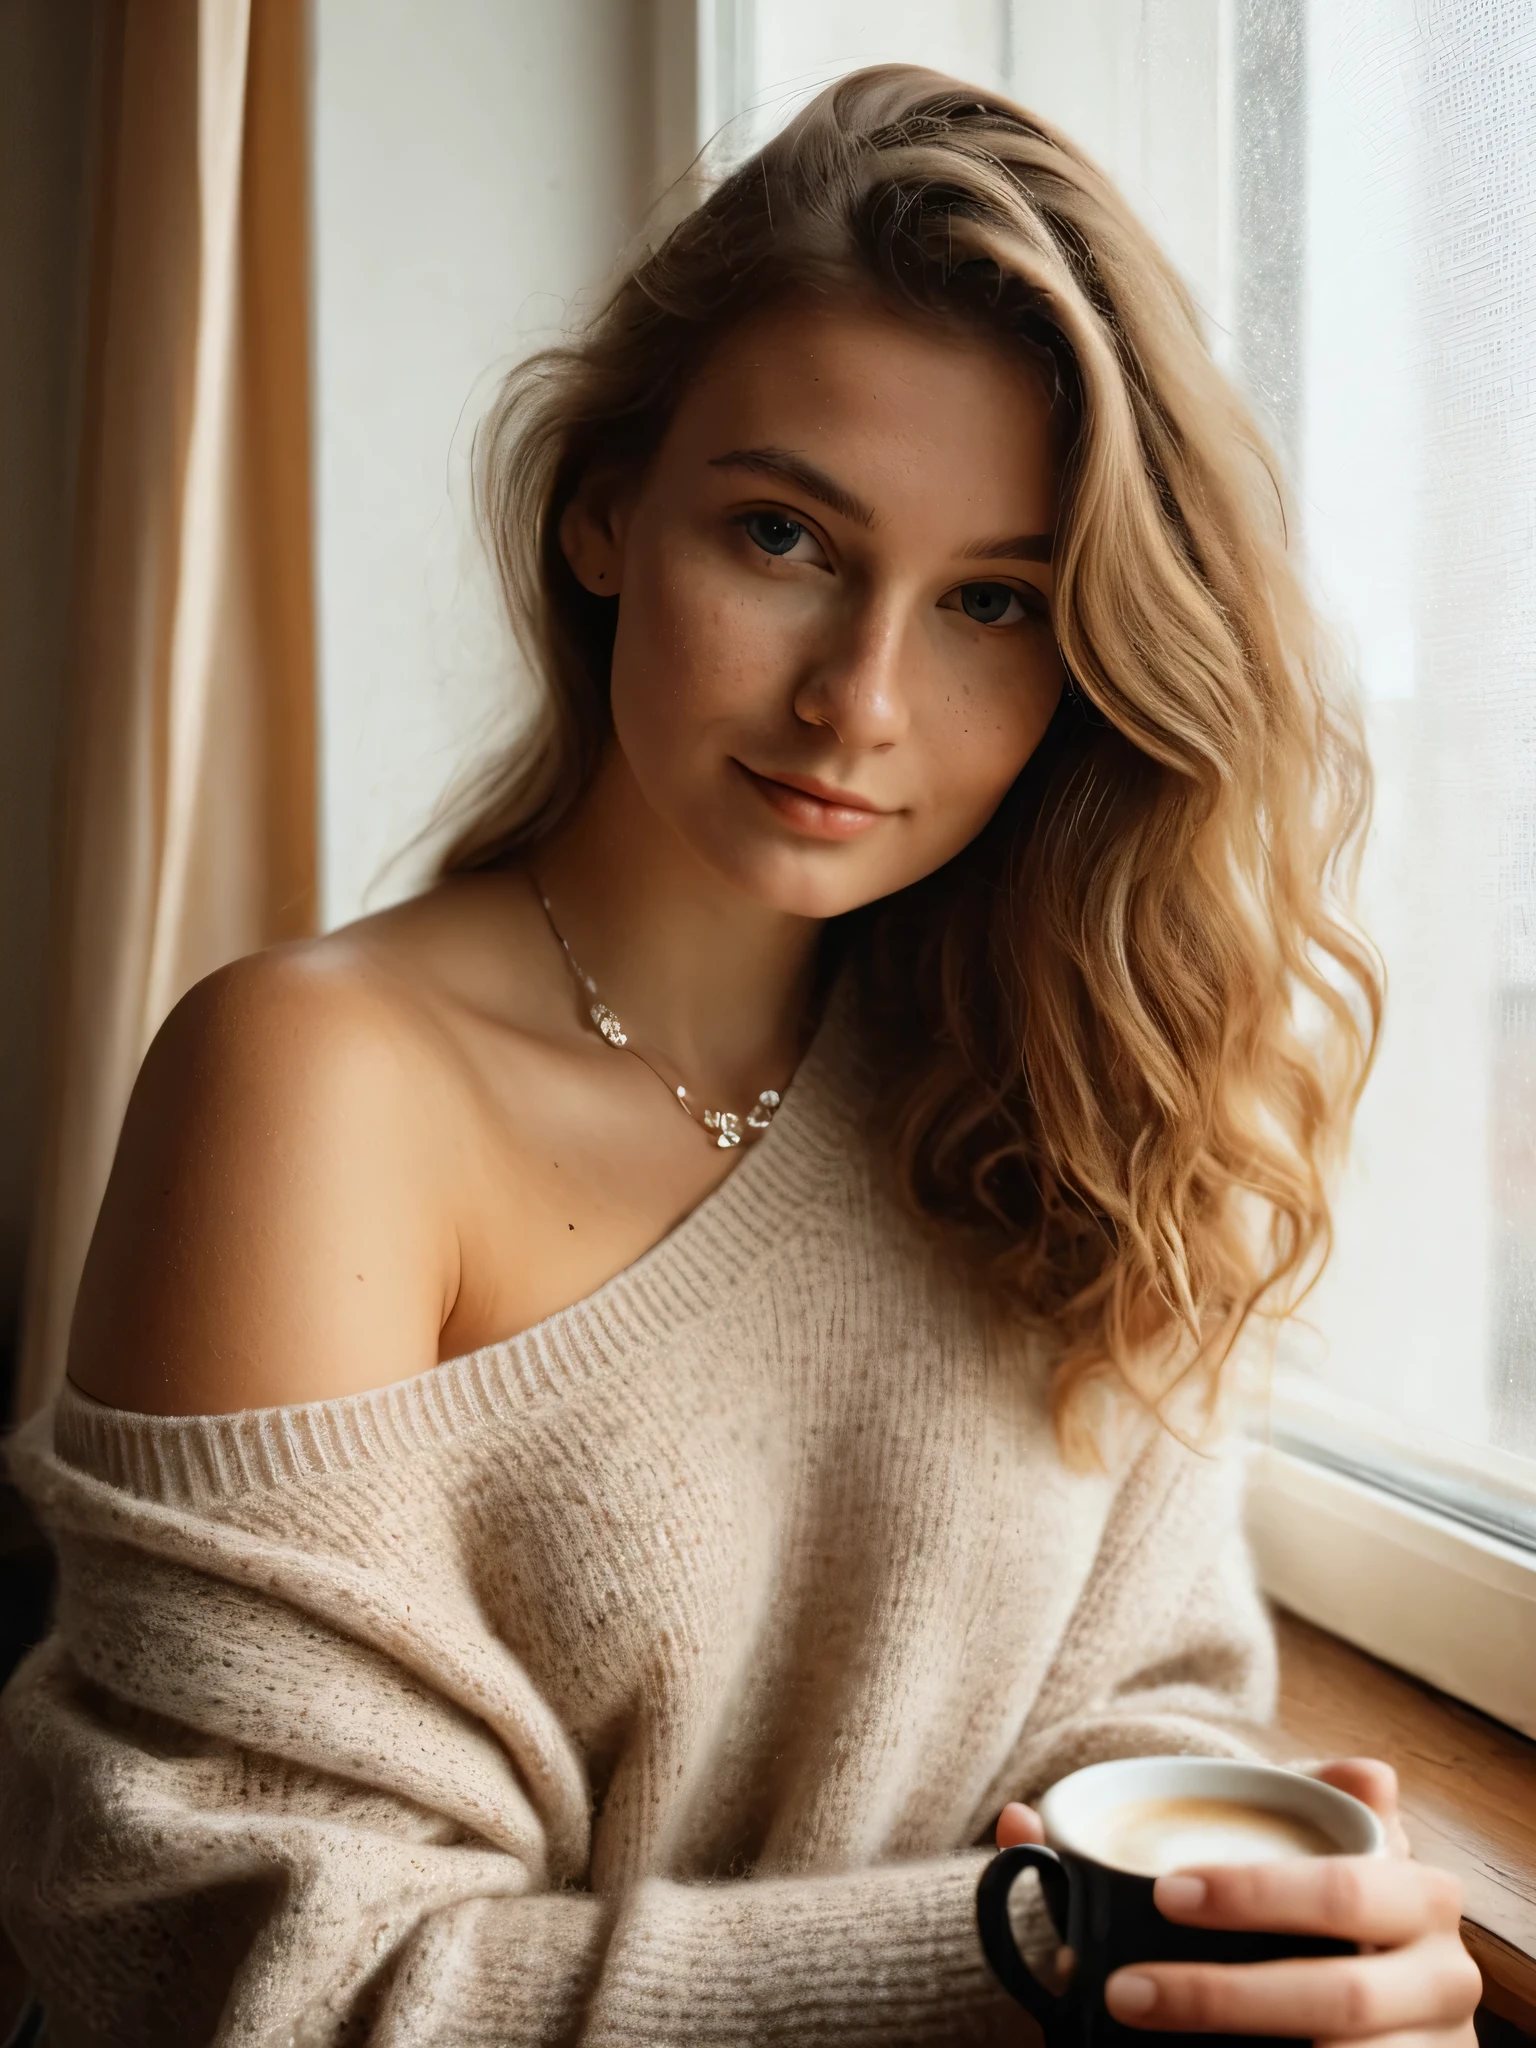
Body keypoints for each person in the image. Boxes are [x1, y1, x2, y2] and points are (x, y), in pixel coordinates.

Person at [0, 66, 1480, 2048]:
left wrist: (1282, 1947)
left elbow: (1134, 1716)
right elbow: (258, 1982)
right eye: (785, 535)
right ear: (606, 509)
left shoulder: (1068, 1077)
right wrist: (1042, 1959)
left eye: (991, 603)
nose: (860, 698)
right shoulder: (314, 1086)